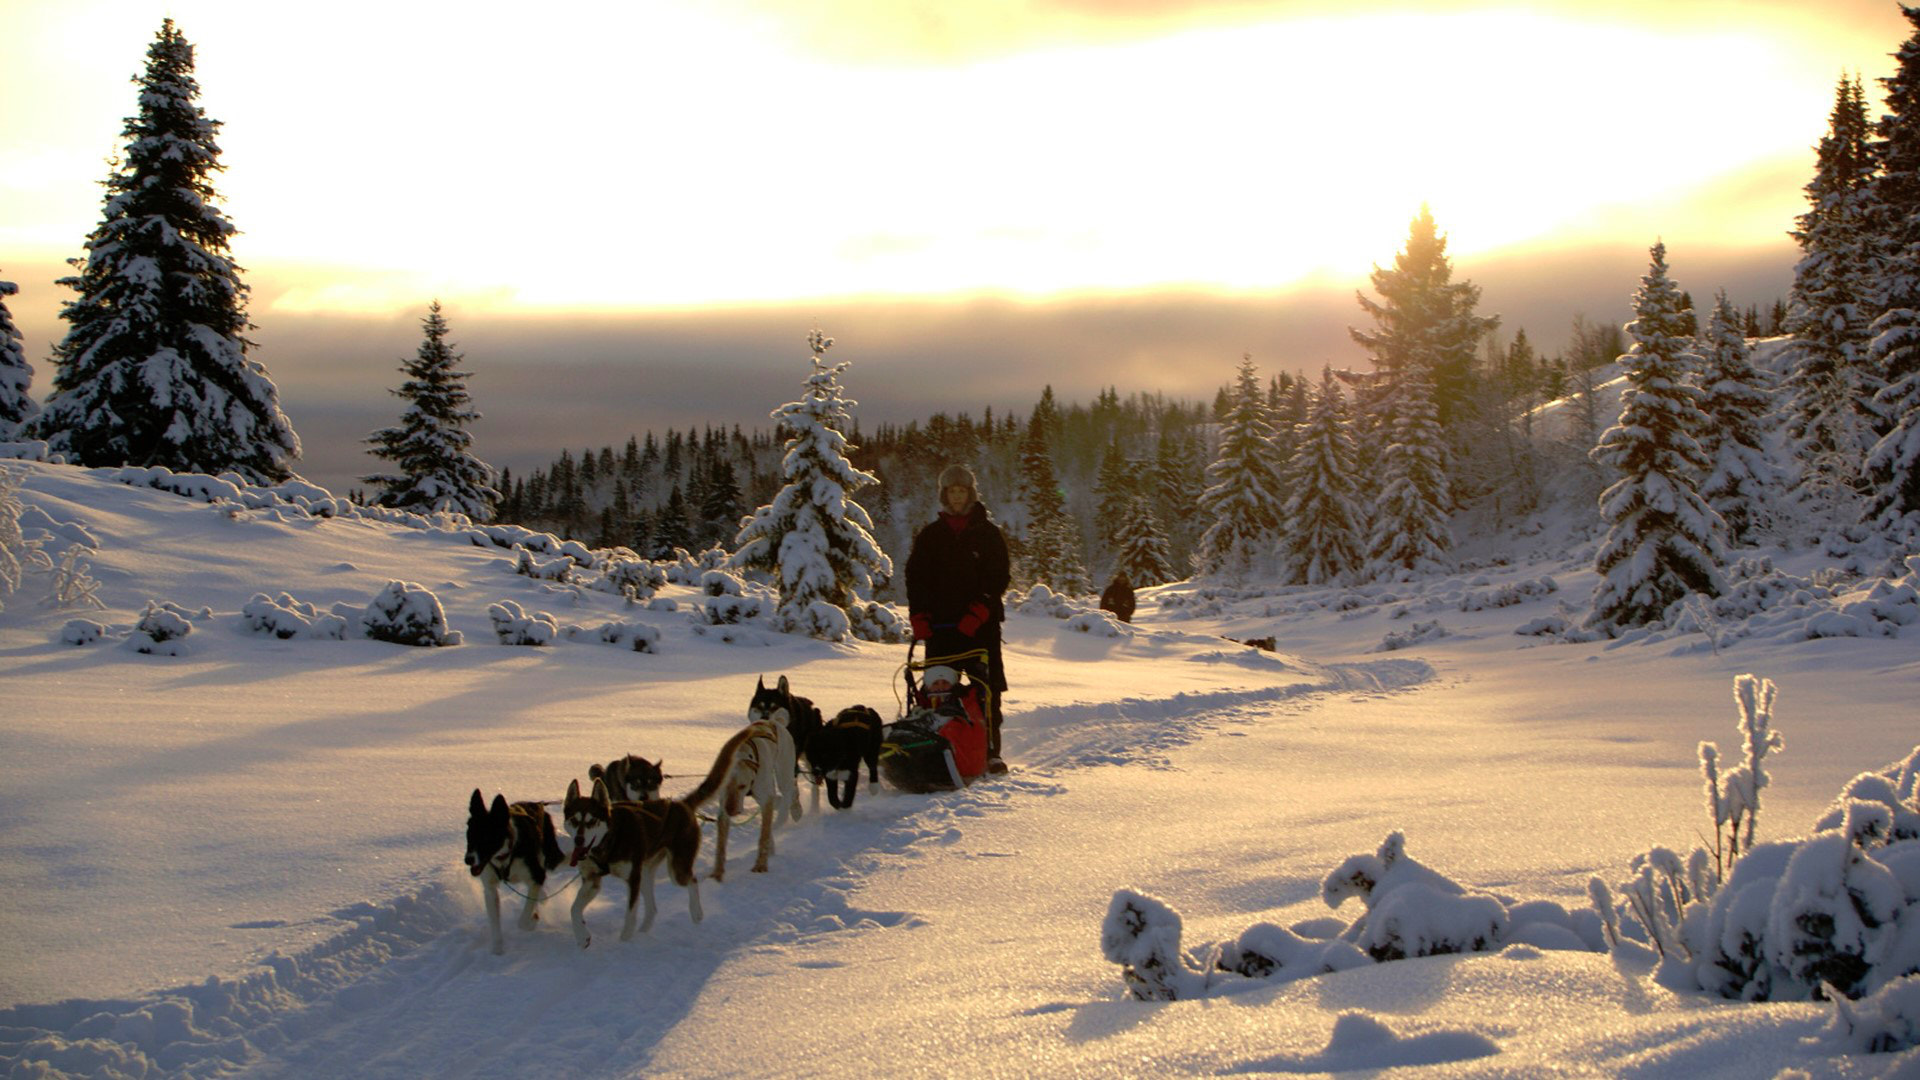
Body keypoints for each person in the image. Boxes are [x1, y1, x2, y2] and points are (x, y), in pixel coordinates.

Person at [905, 463, 1011, 774]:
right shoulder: (931, 535)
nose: (956, 497)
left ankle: (990, 751)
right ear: (944, 494)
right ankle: (938, 746)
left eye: (962, 490)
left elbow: (999, 577)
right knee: (937, 691)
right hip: (940, 629)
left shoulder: (989, 535)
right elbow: (915, 578)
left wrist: (979, 611)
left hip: (981, 629)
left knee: (986, 690)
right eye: (951, 491)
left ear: (970, 494)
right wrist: (918, 616)